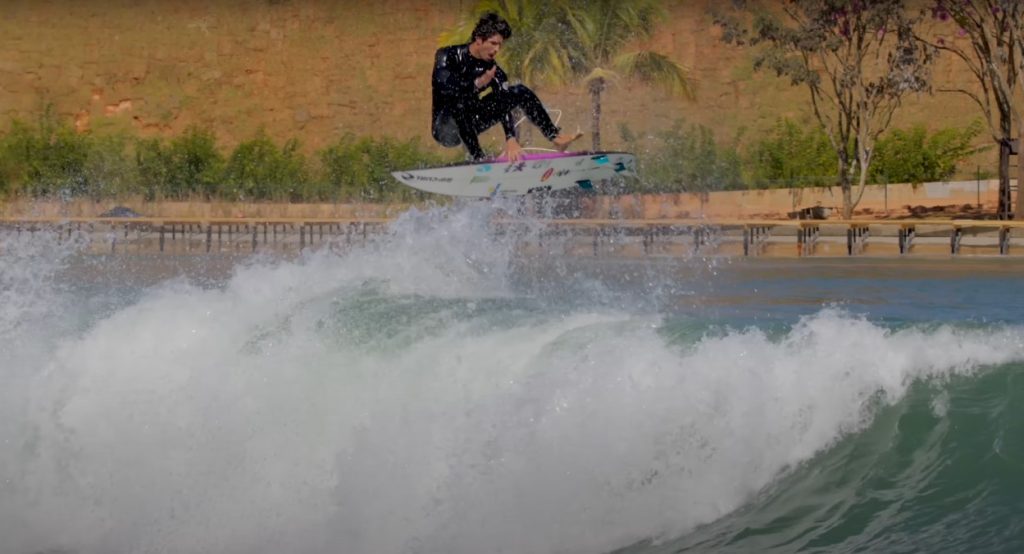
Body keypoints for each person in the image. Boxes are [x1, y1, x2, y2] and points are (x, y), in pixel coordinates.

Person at [431, 12, 582, 162]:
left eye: (500, 45)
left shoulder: (493, 71)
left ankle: (555, 137)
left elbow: (503, 102)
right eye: (493, 43)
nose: (497, 49)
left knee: (518, 91)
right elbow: (445, 86)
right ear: (478, 40)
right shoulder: (447, 55)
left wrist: (510, 137)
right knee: (459, 102)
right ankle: (478, 159)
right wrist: (478, 83)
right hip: (445, 128)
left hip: (472, 123)